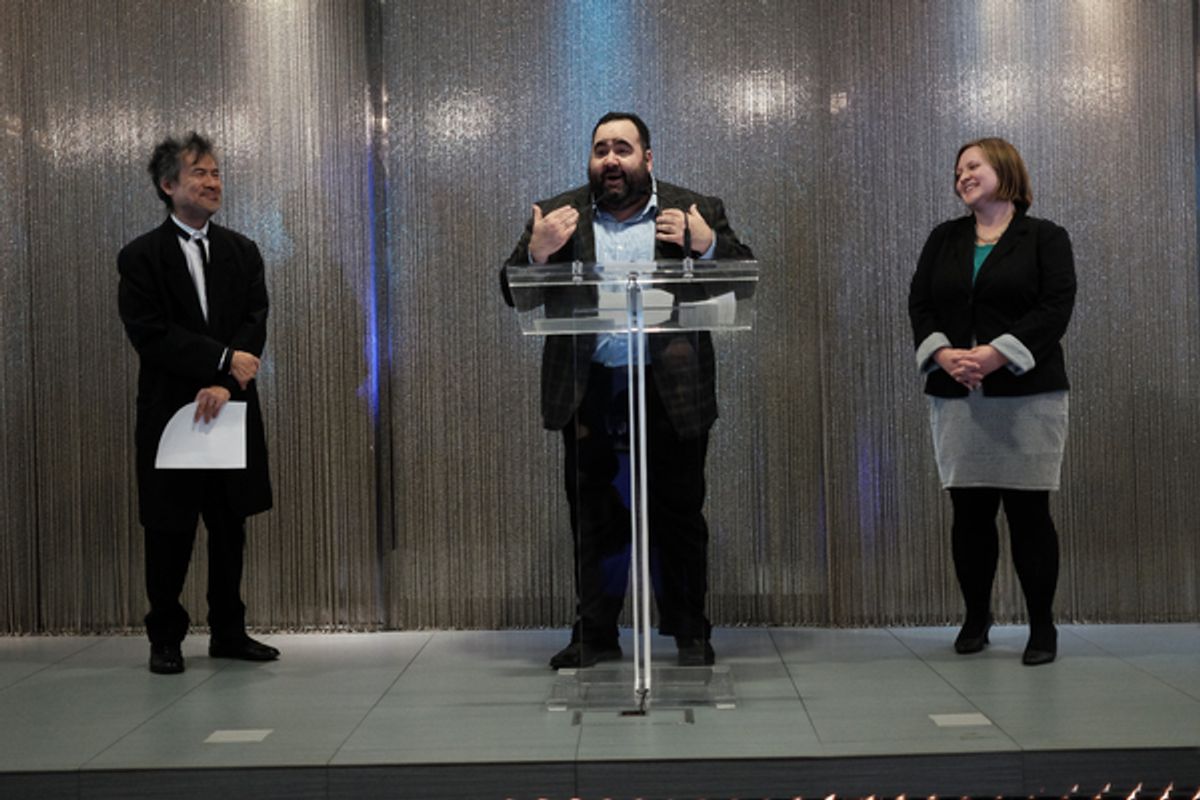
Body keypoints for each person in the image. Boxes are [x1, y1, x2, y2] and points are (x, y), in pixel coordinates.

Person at [501, 112, 754, 669]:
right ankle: (595, 633)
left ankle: (689, 631)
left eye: (623, 149)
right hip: (590, 389)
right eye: (600, 150)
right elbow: (514, 291)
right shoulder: (558, 212)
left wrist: (707, 246)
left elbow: (741, 278)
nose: (611, 160)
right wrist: (538, 253)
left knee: (679, 515)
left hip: (671, 389)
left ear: (648, 158)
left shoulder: (694, 208)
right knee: (595, 517)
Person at [908, 137, 1076, 666]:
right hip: (958, 393)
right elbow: (920, 303)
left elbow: (1056, 306)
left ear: (1004, 169)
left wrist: (997, 355)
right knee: (970, 514)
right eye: (957, 170)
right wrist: (947, 355)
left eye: (973, 166)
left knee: (1029, 513)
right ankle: (976, 618)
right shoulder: (944, 238)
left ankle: (1042, 627)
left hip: (1028, 395)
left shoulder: (1045, 237)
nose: (962, 175)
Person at [118, 132, 279, 674]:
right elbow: (151, 334)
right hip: (171, 413)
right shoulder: (140, 256)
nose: (212, 183)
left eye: (215, 173)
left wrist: (226, 382)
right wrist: (219, 363)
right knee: (169, 528)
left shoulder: (243, 250)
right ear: (168, 186)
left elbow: (254, 323)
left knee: (230, 524)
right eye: (199, 174)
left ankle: (229, 631)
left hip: (229, 408)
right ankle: (165, 636)